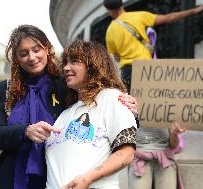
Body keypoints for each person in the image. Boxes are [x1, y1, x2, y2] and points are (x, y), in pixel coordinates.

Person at [0, 25, 138, 189]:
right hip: (10, 175)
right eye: (24, 53)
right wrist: (26, 131)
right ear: (17, 59)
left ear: (47, 49)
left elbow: (99, 112)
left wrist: (129, 109)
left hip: (47, 175)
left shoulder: (65, 85)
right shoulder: (4, 89)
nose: (32, 57)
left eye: (37, 50)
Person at [45, 40, 138, 189]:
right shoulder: (64, 113)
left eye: (74, 61)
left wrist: (88, 179)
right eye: (66, 63)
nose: (66, 68)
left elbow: (126, 153)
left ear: (94, 65)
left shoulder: (112, 98)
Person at [103, 0, 203, 90]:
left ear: (110, 10)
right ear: (121, 5)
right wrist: (193, 11)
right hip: (145, 68)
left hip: (127, 73)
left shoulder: (110, 31)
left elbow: (116, 57)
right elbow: (169, 17)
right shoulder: (138, 16)